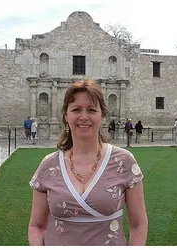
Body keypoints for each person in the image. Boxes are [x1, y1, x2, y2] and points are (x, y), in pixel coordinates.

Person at [28, 79, 148, 246]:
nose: (83, 117)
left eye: (91, 110)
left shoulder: (124, 161)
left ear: (102, 115)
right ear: (66, 116)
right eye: (76, 109)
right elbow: (37, 226)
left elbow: (138, 224)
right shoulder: (49, 165)